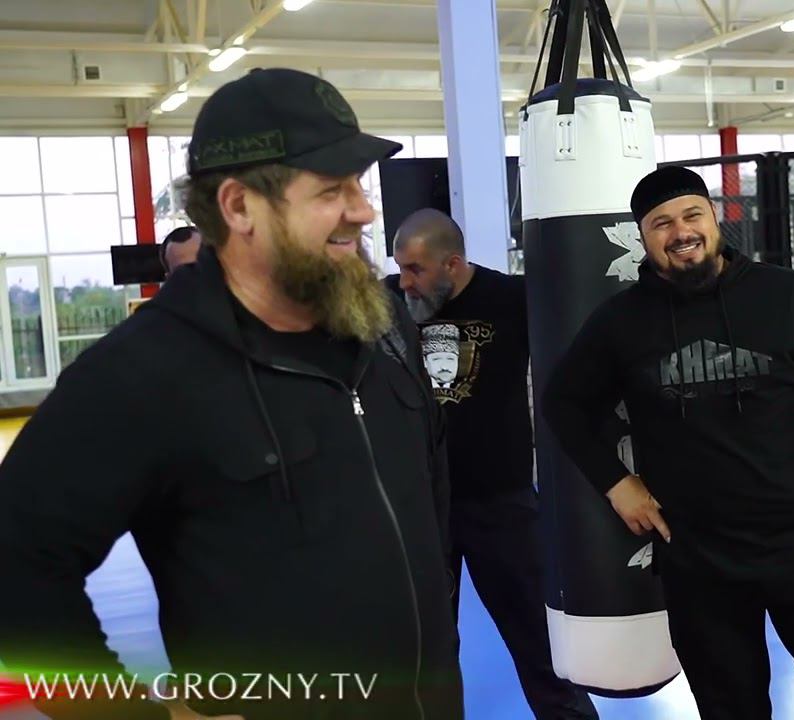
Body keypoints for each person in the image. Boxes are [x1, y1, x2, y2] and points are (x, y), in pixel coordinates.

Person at [0, 68, 461, 720]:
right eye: (332, 190)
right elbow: (15, 564)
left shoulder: (380, 330)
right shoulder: (145, 371)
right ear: (240, 206)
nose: (362, 210)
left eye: (359, 185)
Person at [542, 166, 794, 720]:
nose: (681, 232)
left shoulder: (785, 295)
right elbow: (564, 403)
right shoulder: (622, 321)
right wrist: (616, 483)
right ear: (642, 237)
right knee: (730, 709)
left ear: (714, 219)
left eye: (691, 215)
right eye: (661, 224)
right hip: (697, 558)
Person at [391, 208, 598, 720]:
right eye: (400, 268)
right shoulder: (389, 303)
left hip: (500, 500)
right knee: (423, 648)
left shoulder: (511, 298)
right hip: (420, 504)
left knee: (538, 641)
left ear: (453, 264)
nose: (405, 281)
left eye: (415, 269)